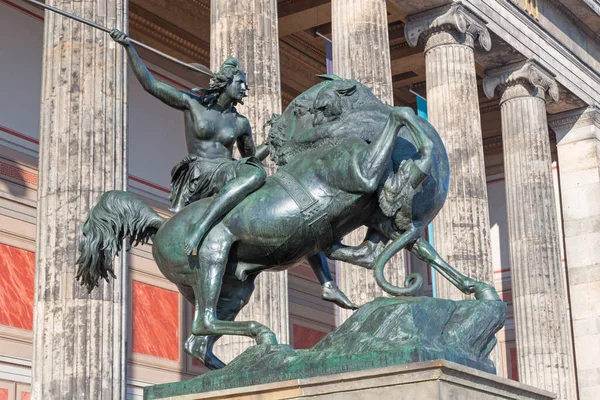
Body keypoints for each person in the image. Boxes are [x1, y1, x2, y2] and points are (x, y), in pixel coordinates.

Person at [110, 29, 266, 255]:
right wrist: (129, 48)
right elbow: (151, 85)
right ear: (226, 82)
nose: (245, 88)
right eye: (241, 83)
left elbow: (251, 160)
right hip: (200, 173)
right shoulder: (193, 104)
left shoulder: (241, 123)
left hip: (227, 172)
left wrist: (271, 143)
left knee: (258, 177)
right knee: (254, 174)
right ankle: (201, 229)